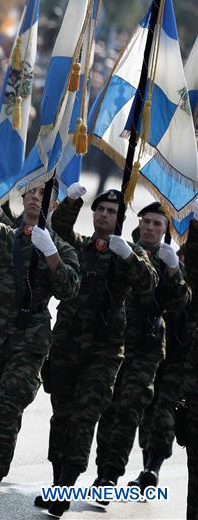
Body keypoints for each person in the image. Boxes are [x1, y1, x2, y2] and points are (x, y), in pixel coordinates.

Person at [0, 152, 80, 520]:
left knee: (7, 412)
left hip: (28, 342)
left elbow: (70, 289)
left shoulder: (60, 247)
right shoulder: (3, 237)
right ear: (23, 197)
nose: (36, 198)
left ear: (52, 202)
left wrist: (52, 254)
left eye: (43, 193)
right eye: (31, 192)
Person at [40, 184, 158, 517]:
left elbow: (149, 282)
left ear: (120, 219)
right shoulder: (79, 246)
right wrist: (72, 201)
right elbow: (58, 229)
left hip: (104, 351)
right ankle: (55, 483)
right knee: (61, 417)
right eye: (100, 210)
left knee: (84, 416)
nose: (104, 215)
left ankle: (65, 483)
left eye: (111, 212)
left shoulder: (129, 252)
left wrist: (128, 256)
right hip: (66, 345)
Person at [91, 201, 189, 500]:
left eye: (157, 224)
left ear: (165, 230)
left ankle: (111, 475)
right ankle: (101, 470)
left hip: (147, 348)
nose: (150, 227)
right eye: (146, 221)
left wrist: (173, 269)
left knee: (129, 410)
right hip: (115, 343)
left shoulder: (169, 261)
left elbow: (179, 301)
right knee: (108, 409)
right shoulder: (123, 249)